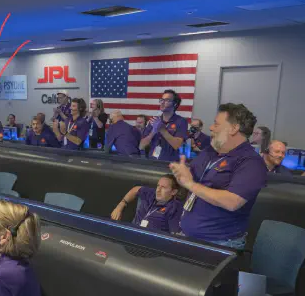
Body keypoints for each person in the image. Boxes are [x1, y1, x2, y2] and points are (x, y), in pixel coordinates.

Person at [170, 103, 267, 249]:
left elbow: (232, 202)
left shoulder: (251, 162)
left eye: (216, 124)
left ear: (234, 128)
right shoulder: (210, 152)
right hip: (187, 235)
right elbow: (195, 177)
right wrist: (182, 172)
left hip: (218, 244)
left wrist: (190, 183)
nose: (211, 128)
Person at [110, 174, 182, 233]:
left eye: (163, 187)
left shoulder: (174, 208)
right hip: (131, 232)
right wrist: (121, 205)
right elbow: (135, 189)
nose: (158, 190)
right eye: (158, 185)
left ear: (173, 192)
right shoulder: (151, 193)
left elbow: (174, 236)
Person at [140, 90, 189, 161]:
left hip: (169, 164)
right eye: (161, 100)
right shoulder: (154, 120)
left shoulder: (181, 121)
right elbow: (141, 146)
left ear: (175, 104)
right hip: (152, 161)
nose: (162, 102)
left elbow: (177, 145)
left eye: (167, 100)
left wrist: (162, 129)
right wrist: (153, 132)